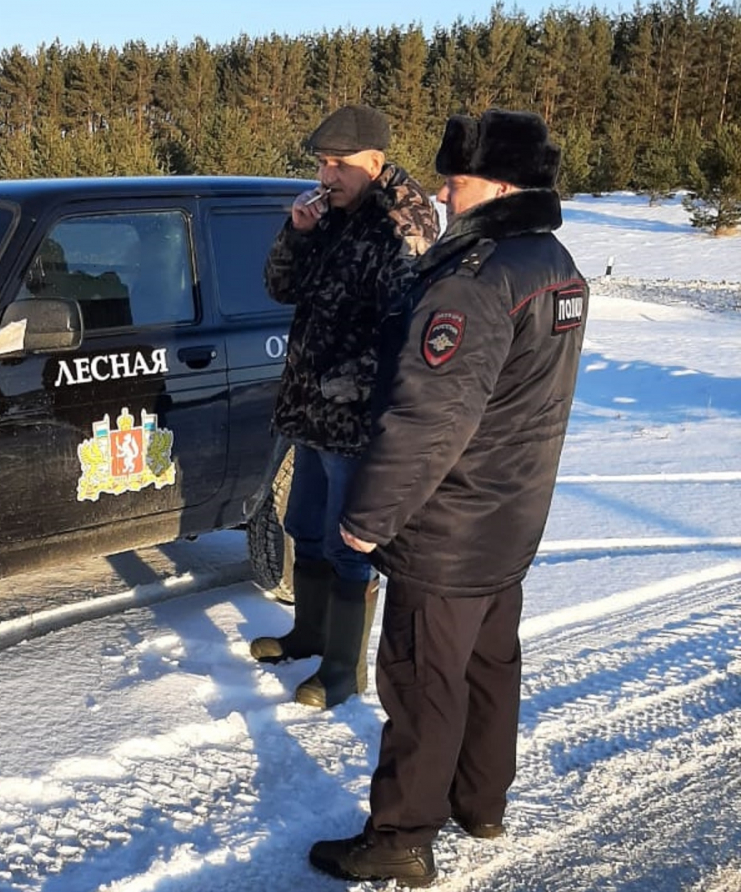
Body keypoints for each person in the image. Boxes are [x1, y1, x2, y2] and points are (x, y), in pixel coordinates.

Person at [311, 109, 588, 886]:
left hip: (451, 524)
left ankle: (400, 836)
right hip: (512, 512)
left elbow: (428, 417)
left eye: (455, 180)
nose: (441, 190)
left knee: (422, 684)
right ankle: (481, 801)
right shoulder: (554, 262)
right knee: (491, 664)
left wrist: (368, 519)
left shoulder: (478, 280)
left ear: (500, 185)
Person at [249, 105, 439, 709]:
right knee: (302, 525)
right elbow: (280, 288)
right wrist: (296, 234)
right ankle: (309, 634)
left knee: (347, 542)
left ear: (375, 163)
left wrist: (348, 384)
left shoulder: (403, 223)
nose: (326, 175)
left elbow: (406, 329)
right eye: (321, 163)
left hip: (355, 417)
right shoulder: (330, 212)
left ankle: (342, 668)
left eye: (339, 164)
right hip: (310, 406)